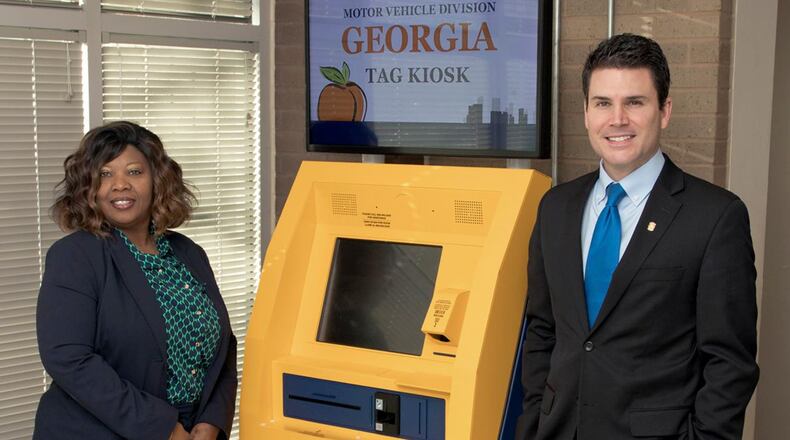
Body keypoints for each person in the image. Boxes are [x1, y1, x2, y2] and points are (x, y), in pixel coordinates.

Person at [518, 34, 759, 440]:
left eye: (634, 102)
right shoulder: (555, 207)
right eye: (603, 103)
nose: (617, 119)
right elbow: (543, 330)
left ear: (664, 111)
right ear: (586, 112)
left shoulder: (716, 217)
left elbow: (729, 363)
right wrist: (533, 421)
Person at [34, 121, 238, 440]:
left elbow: (222, 346)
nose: (120, 185)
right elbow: (69, 359)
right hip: (97, 431)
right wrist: (164, 428)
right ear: (88, 188)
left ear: (157, 180)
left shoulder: (189, 253)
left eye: (134, 172)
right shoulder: (75, 256)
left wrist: (212, 421)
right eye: (104, 174)